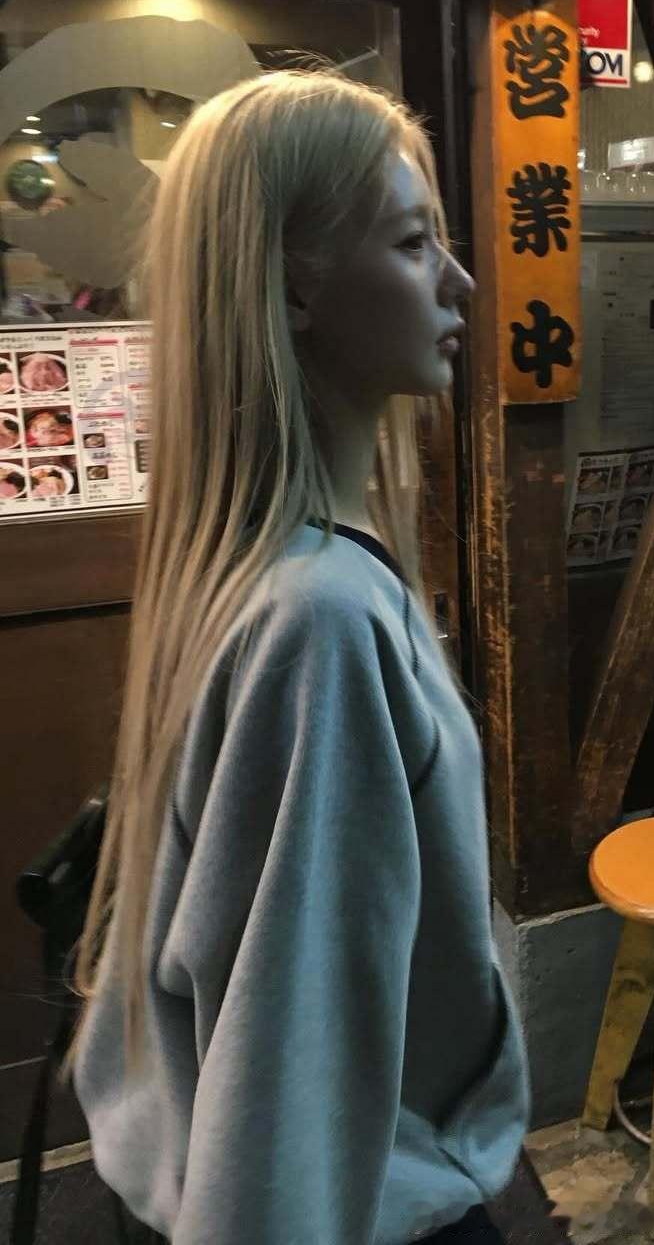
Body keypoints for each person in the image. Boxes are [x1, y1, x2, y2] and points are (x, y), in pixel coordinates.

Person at [72, 71, 530, 1244]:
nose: (461, 282)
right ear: (292, 285)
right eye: (414, 243)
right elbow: (289, 1056)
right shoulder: (322, 618)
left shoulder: (250, 565)